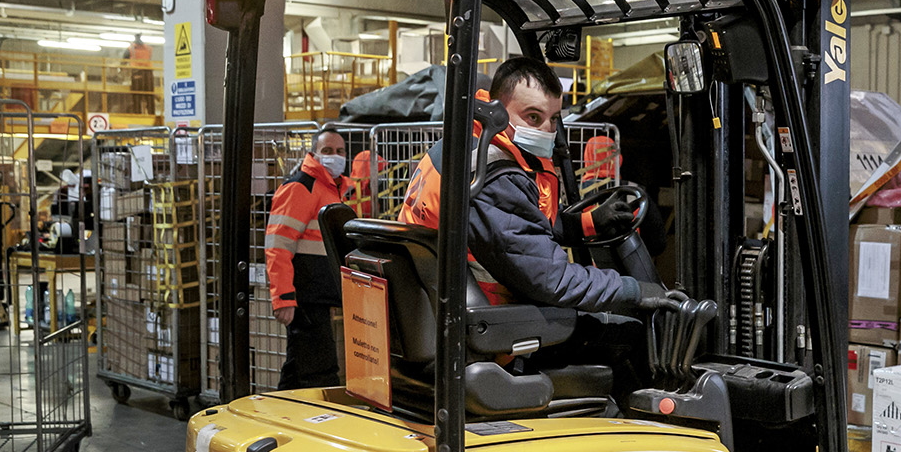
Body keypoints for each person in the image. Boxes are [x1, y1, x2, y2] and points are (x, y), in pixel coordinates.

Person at [398, 57, 665, 313]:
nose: (548, 130)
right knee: (623, 333)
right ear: (497, 111)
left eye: (554, 118)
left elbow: (523, 225)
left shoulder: (467, 144)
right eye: (534, 117)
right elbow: (550, 279)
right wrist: (636, 291)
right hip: (494, 315)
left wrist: (589, 223)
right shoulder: (493, 177)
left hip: (450, 301)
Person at [265, 127, 351, 389]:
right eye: (327, 151)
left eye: (339, 151)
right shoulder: (301, 187)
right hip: (305, 297)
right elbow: (277, 246)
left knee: (300, 367)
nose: (334, 156)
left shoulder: (333, 189)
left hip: (319, 295)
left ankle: (284, 416)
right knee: (318, 371)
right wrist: (283, 298)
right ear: (313, 153)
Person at [125, 34, 154, 100]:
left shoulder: (130, 48)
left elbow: (123, 61)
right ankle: (151, 110)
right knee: (149, 95)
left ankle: (137, 110)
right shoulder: (149, 48)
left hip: (136, 72)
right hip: (148, 73)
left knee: (136, 95)